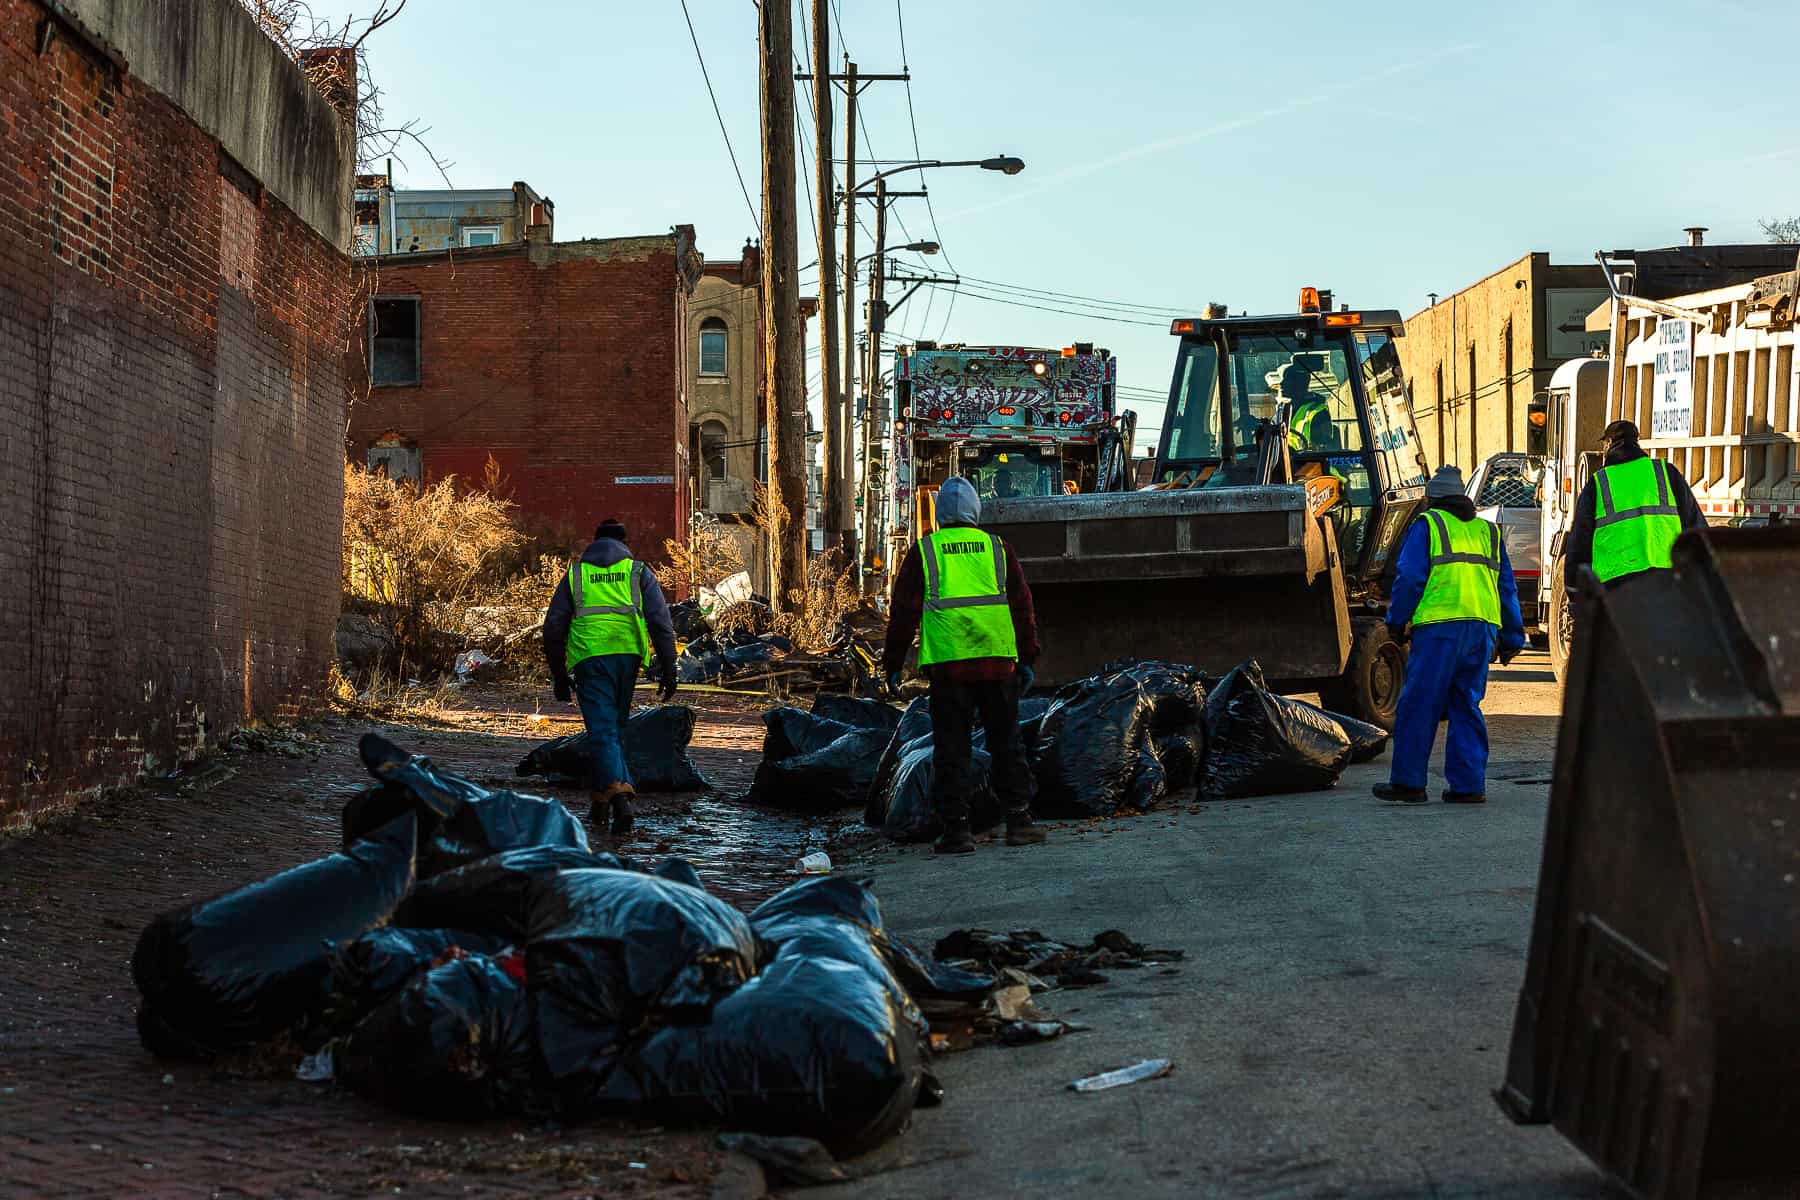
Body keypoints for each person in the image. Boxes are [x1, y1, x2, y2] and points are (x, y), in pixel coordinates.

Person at [881, 476, 1045, 854]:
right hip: (997, 664)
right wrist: (1028, 657)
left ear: (939, 516)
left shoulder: (925, 552)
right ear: (976, 512)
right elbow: (1022, 608)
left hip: (949, 669)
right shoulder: (998, 549)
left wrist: (893, 664)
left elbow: (903, 614)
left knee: (952, 749)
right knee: (1007, 743)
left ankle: (956, 831)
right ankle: (1019, 821)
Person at [1374, 466, 1526, 806]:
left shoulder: (1428, 525)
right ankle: (1468, 786)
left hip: (1440, 629)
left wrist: (1396, 622)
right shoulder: (1488, 532)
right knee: (1466, 704)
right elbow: (1507, 588)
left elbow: (1410, 577)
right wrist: (1513, 637)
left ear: (1431, 499)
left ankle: (1409, 783)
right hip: (1482, 629)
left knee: (1419, 705)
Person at [542, 519, 678, 837]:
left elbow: (553, 629)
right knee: (613, 729)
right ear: (624, 542)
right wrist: (670, 667)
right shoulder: (637, 572)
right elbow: (660, 621)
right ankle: (600, 802)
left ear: (595, 541)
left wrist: (559, 675)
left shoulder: (577, 574)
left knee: (602, 731)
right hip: (628, 656)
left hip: (590, 658)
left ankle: (619, 799)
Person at [1563, 419, 1704, 590]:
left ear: (1608, 444)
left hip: (1615, 590)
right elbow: (1696, 526)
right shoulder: (1665, 472)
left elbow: (1580, 542)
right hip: (1667, 583)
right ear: (1636, 442)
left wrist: (1573, 589)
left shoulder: (1599, 483)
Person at [1279, 363, 1335, 453]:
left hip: (1310, 464)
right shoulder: (1286, 409)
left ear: (1299, 384)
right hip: (1289, 462)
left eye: (1287, 380)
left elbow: (1323, 448)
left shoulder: (1317, 412)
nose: (1281, 384)